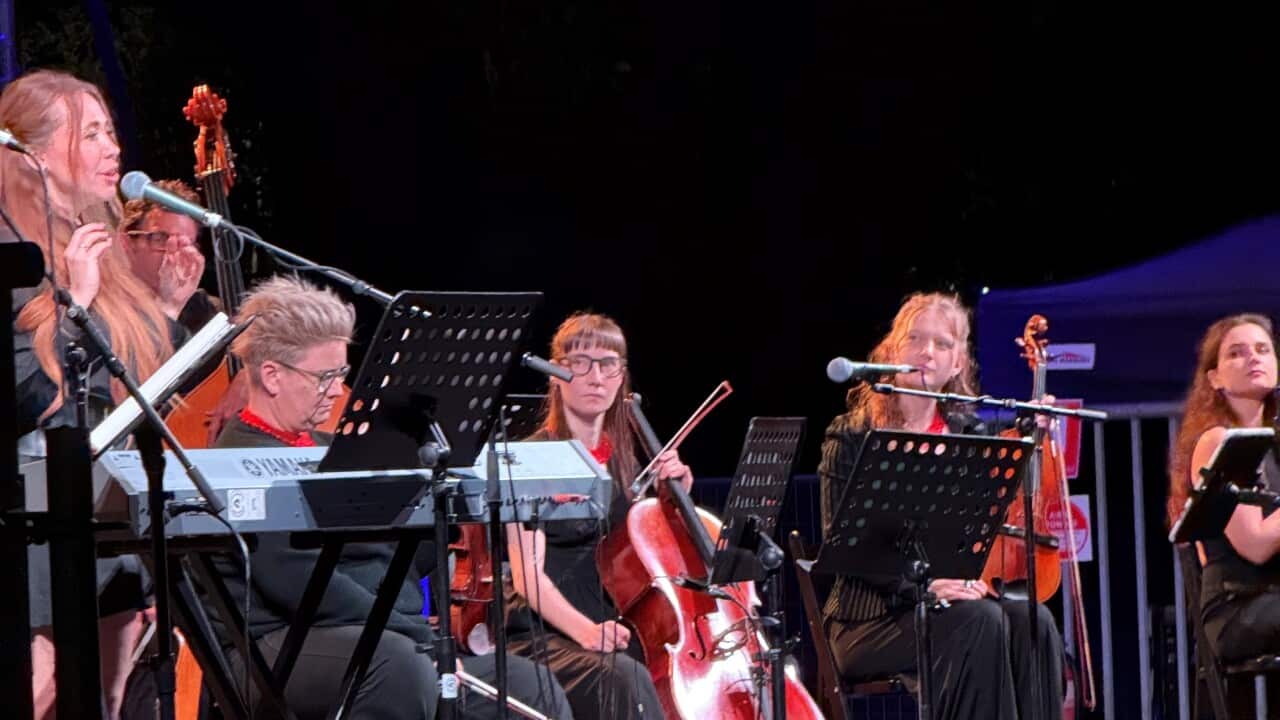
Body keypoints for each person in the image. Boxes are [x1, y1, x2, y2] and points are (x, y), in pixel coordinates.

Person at [212, 275, 572, 719]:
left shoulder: (334, 448)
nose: (336, 391)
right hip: (280, 644)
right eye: (324, 377)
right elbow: (300, 583)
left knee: (531, 686)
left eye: (342, 374)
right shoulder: (239, 458)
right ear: (272, 376)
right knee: (398, 670)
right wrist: (421, 643)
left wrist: (444, 497)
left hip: (385, 637)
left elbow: (400, 558)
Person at [1, 68, 175, 720]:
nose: (114, 149)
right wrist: (74, 300)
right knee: (40, 688)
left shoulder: (102, 250)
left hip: (106, 509)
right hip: (34, 518)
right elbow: (27, 399)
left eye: (111, 131)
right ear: (35, 154)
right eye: (92, 133)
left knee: (104, 701)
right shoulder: (11, 256)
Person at [818, 292, 1064, 720]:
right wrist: (925, 587)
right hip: (868, 620)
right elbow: (844, 549)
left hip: (947, 607)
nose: (927, 352)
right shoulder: (852, 435)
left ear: (957, 365)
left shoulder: (966, 434)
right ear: (893, 349)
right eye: (916, 338)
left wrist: (1033, 440)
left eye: (943, 344)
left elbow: (982, 530)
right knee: (982, 622)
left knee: (1034, 621)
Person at [505, 312, 675, 720]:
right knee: (625, 680)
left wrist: (675, 498)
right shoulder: (530, 460)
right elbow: (527, 574)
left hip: (613, 628)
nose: (595, 376)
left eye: (608, 364)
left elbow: (656, 560)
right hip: (544, 632)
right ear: (554, 374)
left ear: (621, 377)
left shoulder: (628, 465)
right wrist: (586, 631)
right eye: (579, 363)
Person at [1167, 313, 1280, 713]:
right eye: (1237, 353)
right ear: (1214, 378)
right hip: (1239, 607)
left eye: (1263, 349)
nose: (1254, 358)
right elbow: (1255, 544)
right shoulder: (1219, 442)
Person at [117, 178, 220, 331]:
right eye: (161, 239)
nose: (174, 254)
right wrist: (168, 307)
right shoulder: (107, 310)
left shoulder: (202, 310)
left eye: (185, 244)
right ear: (126, 243)